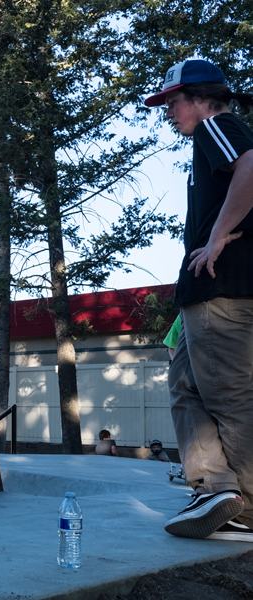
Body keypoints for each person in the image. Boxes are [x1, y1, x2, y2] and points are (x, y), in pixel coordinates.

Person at [145, 59, 253, 542]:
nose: (169, 113)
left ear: (199, 97)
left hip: (221, 290)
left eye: (172, 102)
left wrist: (219, 236)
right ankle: (216, 487)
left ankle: (248, 505)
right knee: (185, 385)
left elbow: (251, 166)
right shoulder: (207, 139)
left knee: (229, 397)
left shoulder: (218, 125)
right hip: (202, 295)